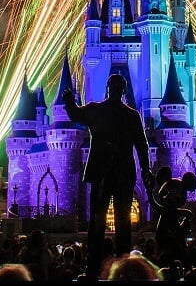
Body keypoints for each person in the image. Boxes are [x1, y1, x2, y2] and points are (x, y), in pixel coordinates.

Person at [62, 73, 153, 279]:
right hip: (120, 173)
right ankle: (122, 267)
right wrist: (146, 169)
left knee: (101, 220)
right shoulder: (129, 115)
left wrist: (69, 103)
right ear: (122, 90)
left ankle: (95, 267)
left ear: (111, 89)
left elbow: (76, 115)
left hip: (104, 172)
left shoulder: (98, 110)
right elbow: (142, 145)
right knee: (117, 222)